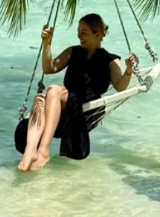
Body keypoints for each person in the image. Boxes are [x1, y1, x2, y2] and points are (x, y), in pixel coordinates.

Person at [17, 13, 137, 172]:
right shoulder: (72, 52)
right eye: (78, 31)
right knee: (40, 99)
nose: (79, 35)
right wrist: (46, 45)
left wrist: (128, 70)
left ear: (97, 34)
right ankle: (30, 150)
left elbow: (120, 87)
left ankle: (43, 151)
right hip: (66, 106)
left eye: (83, 32)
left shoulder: (110, 59)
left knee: (53, 90)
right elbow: (49, 68)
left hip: (89, 108)